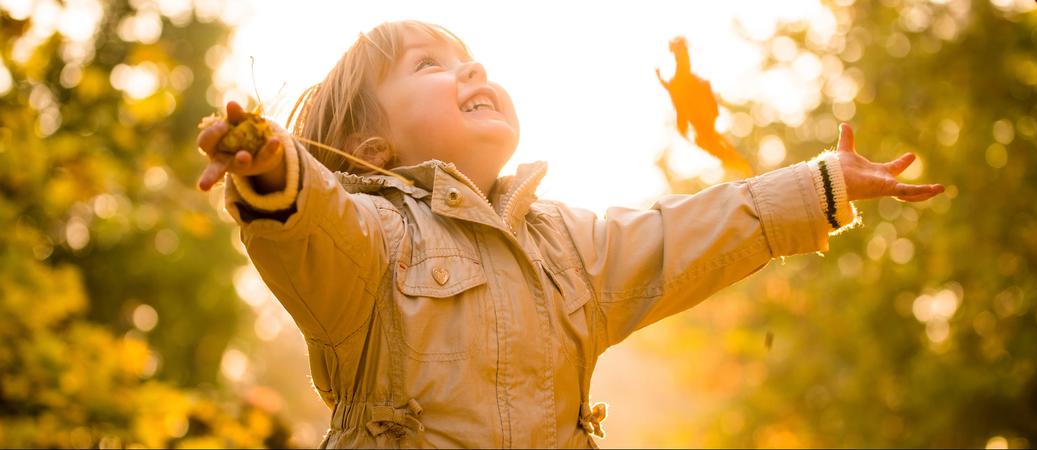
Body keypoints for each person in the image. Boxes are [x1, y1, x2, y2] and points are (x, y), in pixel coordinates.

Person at [195, 20, 944, 448]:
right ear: (370, 151)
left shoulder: (566, 244)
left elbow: (682, 233)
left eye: (468, 59)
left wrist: (821, 187)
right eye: (430, 65)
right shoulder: (375, 240)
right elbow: (310, 226)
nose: (472, 68)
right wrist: (270, 167)